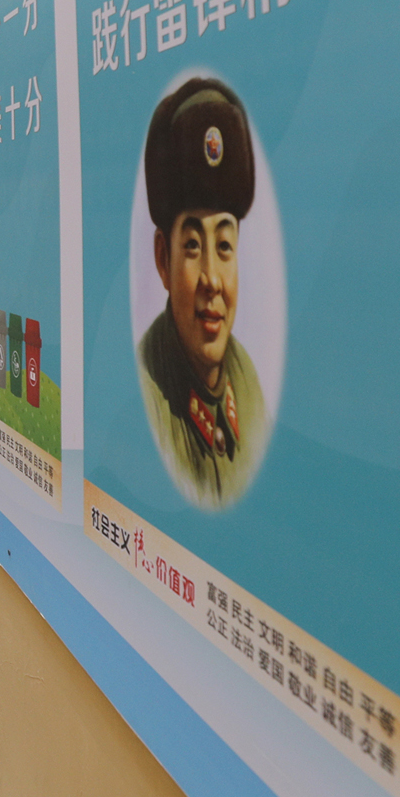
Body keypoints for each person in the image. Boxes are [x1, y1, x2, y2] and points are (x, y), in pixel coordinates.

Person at [136, 77, 268, 509]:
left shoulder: (247, 385)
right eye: (192, 246)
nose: (212, 279)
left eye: (224, 246)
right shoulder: (145, 393)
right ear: (163, 259)